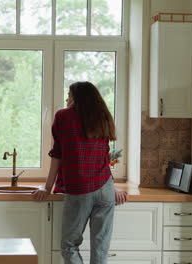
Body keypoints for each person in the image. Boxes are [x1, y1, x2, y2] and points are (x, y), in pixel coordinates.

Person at [33, 81, 128, 264]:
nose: (67, 98)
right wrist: (112, 188)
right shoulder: (103, 117)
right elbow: (103, 157)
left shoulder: (63, 117)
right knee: (101, 248)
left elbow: (57, 155)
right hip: (105, 189)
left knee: (69, 246)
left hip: (80, 190)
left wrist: (47, 187)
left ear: (76, 97)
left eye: (68, 95)